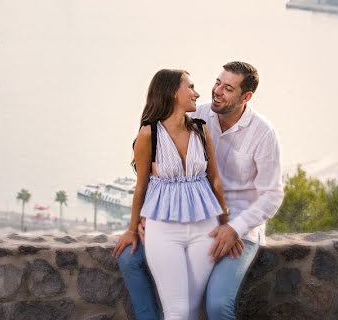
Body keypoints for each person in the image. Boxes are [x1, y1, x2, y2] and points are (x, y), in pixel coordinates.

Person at [116, 61, 284, 320]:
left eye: (228, 88)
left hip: (237, 226)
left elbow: (272, 195)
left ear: (246, 97)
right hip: (192, 216)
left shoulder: (263, 133)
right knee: (129, 259)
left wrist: (234, 228)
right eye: (218, 82)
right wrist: (145, 215)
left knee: (215, 305)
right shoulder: (196, 116)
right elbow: (155, 171)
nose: (216, 91)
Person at [112, 69, 230, 320]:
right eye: (191, 87)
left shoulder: (200, 129)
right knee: (177, 311)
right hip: (164, 231)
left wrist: (226, 226)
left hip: (205, 228)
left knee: (192, 308)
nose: (197, 93)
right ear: (173, 92)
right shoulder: (149, 134)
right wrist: (132, 229)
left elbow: (215, 181)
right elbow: (141, 186)